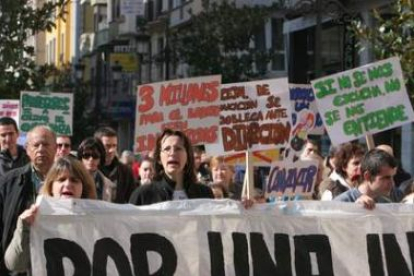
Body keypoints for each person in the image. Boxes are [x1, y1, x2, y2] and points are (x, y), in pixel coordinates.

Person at [4, 156, 97, 274]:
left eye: (74, 180)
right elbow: (15, 264)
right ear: (51, 186)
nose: (68, 184)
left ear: (83, 187)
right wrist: (24, 229)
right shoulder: (34, 218)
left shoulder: (96, 221)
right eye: (61, 179)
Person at [0, 125, 57, 276]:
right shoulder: (8, 182)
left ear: (56, 148)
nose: (41, 149)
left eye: (45, 144)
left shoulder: (70, 182)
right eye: (36, 145)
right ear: (27, 149)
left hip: (57, 263)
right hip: (19, 265)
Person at [129, 129, 214, 205]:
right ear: (159, 158)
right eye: (167, 149)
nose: (172, 153)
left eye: (178, 149)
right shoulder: (143, 195)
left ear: (188, 157)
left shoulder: (204, 194)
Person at [334, 149, 398, 209]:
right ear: (367, 176)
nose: (392, 183)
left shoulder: (386, 204)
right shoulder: (342, 203)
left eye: (392, 177)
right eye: (386, 178)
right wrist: (354, 209)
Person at [94, 127, 136, 203]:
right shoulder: (88, 170)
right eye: (107, 146)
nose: (112, 150)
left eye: (114, 146)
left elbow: (131, 200)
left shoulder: (125, 172)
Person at [77, 137, 116, 201]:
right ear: (81, 158)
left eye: (95, 156)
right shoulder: (71, 181)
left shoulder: (110, 186)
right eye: (86, 155)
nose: (91, 159)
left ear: (101, 159)